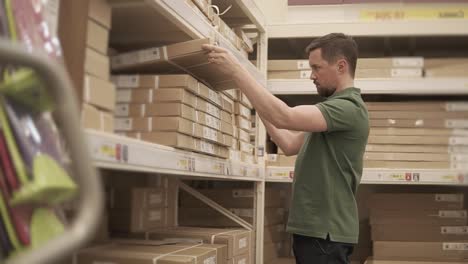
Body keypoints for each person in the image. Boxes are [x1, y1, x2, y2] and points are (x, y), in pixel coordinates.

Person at [203, 33, 369, 264]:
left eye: (316, 67)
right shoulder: (331, 116)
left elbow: (285, 116)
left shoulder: (347, 108)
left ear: (341, 66)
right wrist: (255, 98)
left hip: (325, 231)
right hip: (316, 231)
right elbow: (289, 144)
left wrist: (236, 71)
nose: (312, 76)